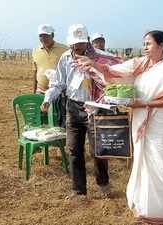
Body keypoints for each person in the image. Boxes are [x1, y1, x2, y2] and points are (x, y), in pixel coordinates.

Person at [75, 30, 163, 224]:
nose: (144, 47)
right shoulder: (142, 64)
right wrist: (93, 64)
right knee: (143, 160)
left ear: (162, 45)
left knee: (162, 161)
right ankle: (145, 205)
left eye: (148, 43)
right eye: (144, 43)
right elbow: (116, 71)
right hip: (141, 119)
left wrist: (144, 104)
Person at [40, 24, 122, 198]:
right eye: (74, 45)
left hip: (95, 108)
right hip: (73, 107)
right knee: (74, 150)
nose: (77, 48)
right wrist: (48, 98)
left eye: (81, 44)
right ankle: (78, 191)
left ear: (87, 41)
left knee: (98, 150)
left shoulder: (100, 58)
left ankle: (103, 184)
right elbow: (59, 83)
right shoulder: (65, 59)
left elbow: (118, 71)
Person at [32, 24, 68, 127]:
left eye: (46, 36)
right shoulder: (35, 51)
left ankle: (60, 140)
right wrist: (34, 91)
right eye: (41, 36)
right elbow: (34, 72)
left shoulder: (64, 50)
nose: (43, 38)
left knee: (58, 118)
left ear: (52, 35)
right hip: (40, 91)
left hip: (59, 92)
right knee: (42, 119)